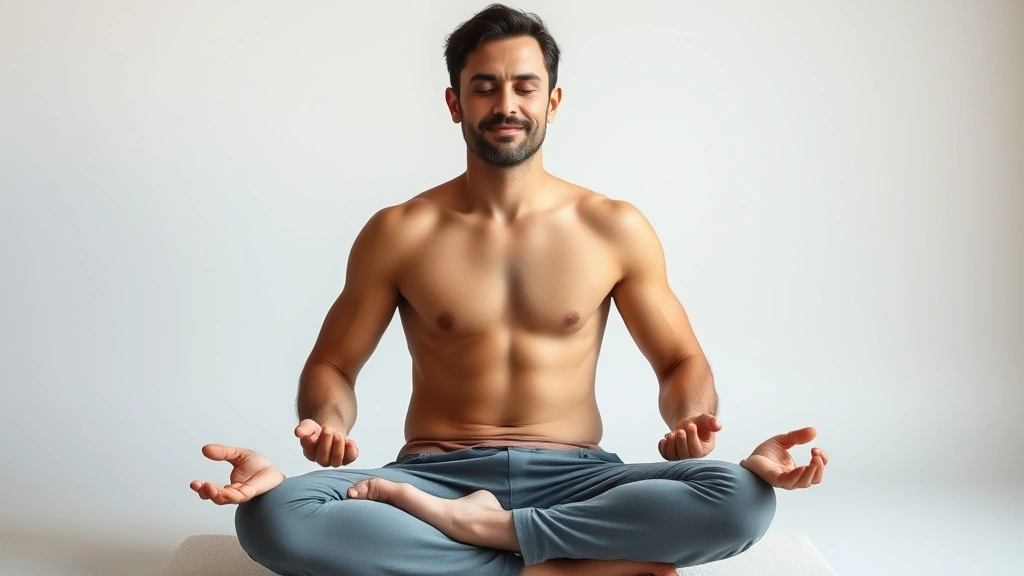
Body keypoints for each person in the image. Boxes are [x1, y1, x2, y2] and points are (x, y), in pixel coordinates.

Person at [190, 4, 828, 576]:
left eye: (525, 86)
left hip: (580, 477)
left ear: (552, 101)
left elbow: (680, 361)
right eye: (485, 87)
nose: (506, 105)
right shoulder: (399, 232)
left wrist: (690, 419)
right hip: (432, 477)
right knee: (275, 517)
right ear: (454, 102)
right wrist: (326, 424)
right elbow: (332, 365)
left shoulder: (613, 228)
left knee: (741, 499)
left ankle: (484, 539)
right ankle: (557, 564)